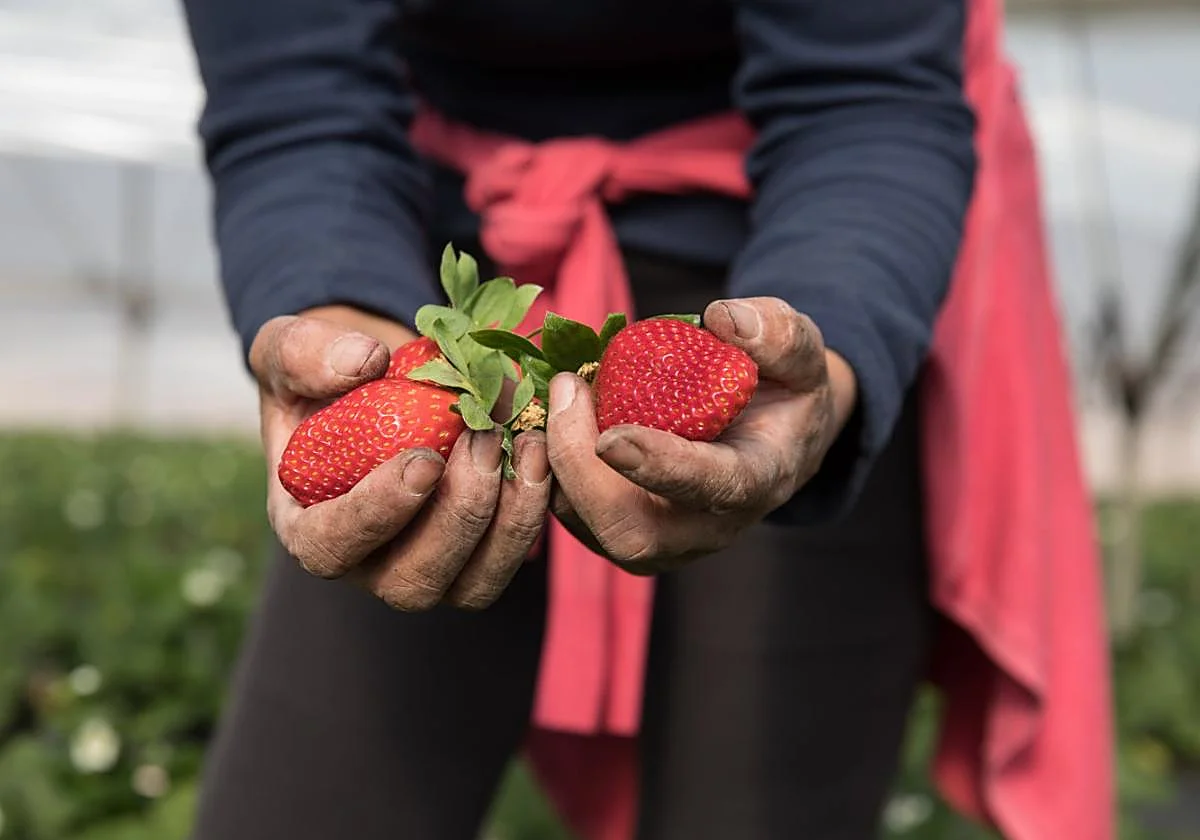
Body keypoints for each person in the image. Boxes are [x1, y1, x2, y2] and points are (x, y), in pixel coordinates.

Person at [180, 0, 1113, 838]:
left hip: (796, 267)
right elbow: (295, 97)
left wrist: (818, 365)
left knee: (760, 790)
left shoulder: (769, 343)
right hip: (426, 286)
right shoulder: (417, 369)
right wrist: (336, 312)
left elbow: (865, 96)